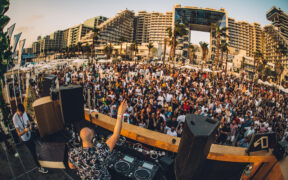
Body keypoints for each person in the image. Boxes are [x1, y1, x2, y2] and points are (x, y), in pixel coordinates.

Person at [68, 99, 128, 179]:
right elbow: (115, 136)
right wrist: (120, 114)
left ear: (80, 138)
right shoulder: (100, 153)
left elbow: (71, 167)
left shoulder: (73, 153)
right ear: (94, 139)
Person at [12, 104, 48, 174]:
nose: (22, 115)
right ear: (17, 111)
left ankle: (37, 157)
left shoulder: (24, 113)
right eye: (21, 113)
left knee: (34, 145)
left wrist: (30, 126)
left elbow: (28, 121)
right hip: (25, 138)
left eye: (23, 113)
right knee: (33, 152)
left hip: (29, 134)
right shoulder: (15, 118)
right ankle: (39, 167)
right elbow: (18, 133)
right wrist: (25, 131)